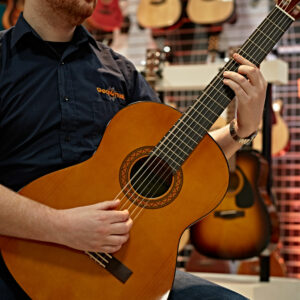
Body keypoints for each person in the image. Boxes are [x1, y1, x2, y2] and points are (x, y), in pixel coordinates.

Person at [0, 0, 267, 299]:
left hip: (120, 267)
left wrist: (241, 130)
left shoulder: (119, 71)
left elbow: (173, 157)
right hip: (18, 265)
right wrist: (61, 227)